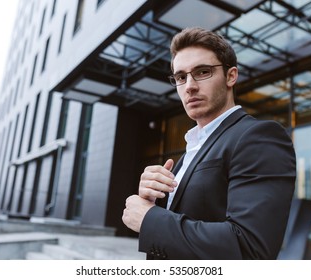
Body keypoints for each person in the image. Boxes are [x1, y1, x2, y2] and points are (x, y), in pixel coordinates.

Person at [122, 27, 296, 260]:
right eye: (181, 77)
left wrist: (150, 219)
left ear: (231, 76)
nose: (189, 86)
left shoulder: (259, 136)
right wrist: (154, 202)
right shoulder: (192, 149)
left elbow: (250, 248)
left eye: (202, 72)